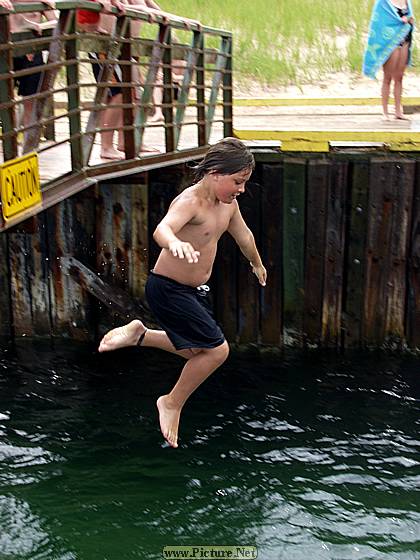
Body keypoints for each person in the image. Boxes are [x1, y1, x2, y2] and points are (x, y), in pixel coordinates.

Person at [98, 138, 267, 448]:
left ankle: (142, 335)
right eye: (237, 182)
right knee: (218, 351)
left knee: (196, 353)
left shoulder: (228, 205)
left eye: (244, 183)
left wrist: (256, 264)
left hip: (193, 291)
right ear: (215, 173)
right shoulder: (190, 202)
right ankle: (171, 402)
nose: (241, 189)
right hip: (167, 288)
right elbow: (163, 229)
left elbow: (244, 236)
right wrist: (173, 242)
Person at [8, 0, 57, 138]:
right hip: (8, 50)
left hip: (32, 50)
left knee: (32, 99)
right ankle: (8, 139)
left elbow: (56, 22)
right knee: (5, 98)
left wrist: (39, 26)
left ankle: (29, 143)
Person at [363, 0, 415, 120]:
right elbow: (379, 23)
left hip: (405, 40)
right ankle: (385, 112)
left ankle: (398, 111)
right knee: (388, 77)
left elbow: (409, 17)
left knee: (400, 77)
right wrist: (400, 21)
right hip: (390, 43)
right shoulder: (383, 3)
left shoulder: (407, 1)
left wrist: (410, 20)